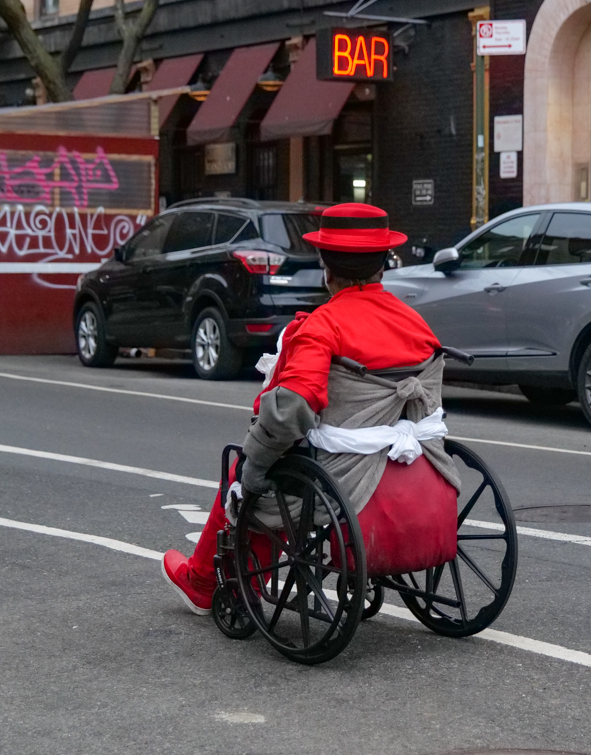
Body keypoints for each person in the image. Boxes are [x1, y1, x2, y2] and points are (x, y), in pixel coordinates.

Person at [161, 202, 461, 615]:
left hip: (339, 471)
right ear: (382, 267)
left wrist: (255, 462)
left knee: (252, 471)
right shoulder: (416, 324)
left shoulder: (321, 326)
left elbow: (294, 407)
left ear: (326, 267)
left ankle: (203, 581)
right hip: (411, 457)